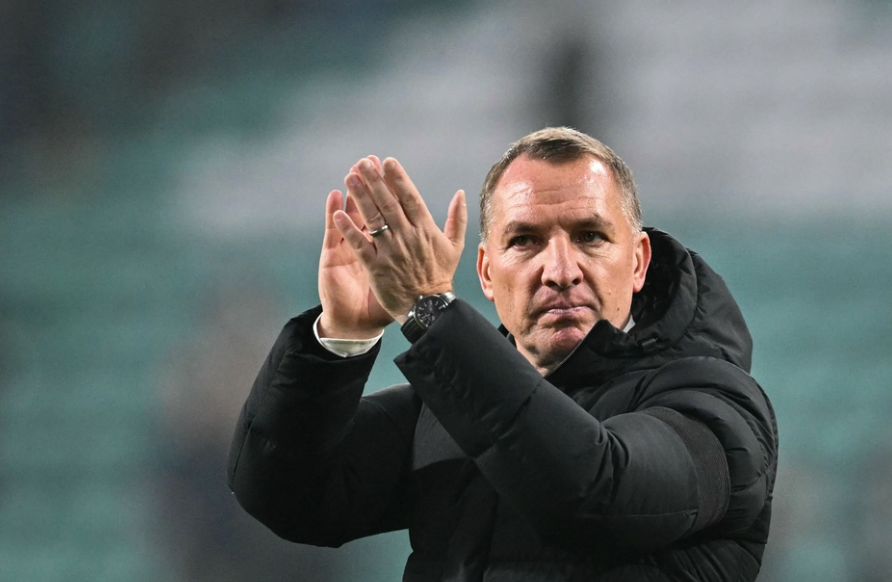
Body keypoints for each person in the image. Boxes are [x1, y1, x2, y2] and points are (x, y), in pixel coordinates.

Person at [227, 127, 778, 581]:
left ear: (637, 263)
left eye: (589, 236)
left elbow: (596, 494)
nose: (560, 271)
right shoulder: (445, 405)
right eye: (525, 241)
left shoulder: (717, 407)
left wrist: (430, 315)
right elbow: (284, 492)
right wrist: (340, 340)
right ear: (487, 273)